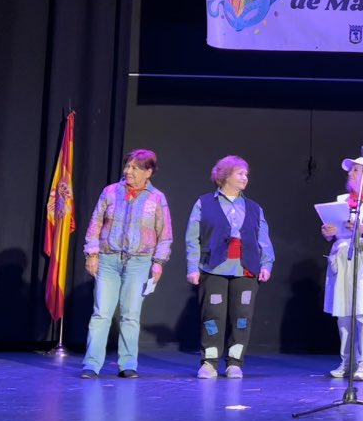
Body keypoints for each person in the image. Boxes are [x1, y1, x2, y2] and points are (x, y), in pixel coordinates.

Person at [80, 149, 173, 379]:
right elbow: (95, 224)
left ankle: (128, 364)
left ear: (148, 172)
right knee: (101, 313)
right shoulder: (111, 191)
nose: (128, 171)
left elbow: (165, 234)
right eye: (127, 166)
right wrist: (92, 254)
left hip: (139, 262)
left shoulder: (157, 198)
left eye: (135, 168)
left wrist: (158, 263)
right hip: (108, 259)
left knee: (130, 314)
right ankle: (91, 364)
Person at [185, 155, 275, 379]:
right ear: (225, 176)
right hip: (214, 267)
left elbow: (263, 238)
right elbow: (192, 238)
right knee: (212, 316)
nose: (245, 178)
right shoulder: (204, 203)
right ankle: (210, 362)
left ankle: (235, 362)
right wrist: (192, 267)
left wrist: (266, 263)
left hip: (246, 268)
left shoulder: (254, 208)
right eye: (240, 173)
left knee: (242, 317)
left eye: (246, 174)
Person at [320, 157, 363, 381]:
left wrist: (362, 228)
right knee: (343, 313)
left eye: (356, 170)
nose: (350, 173)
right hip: (342, 259)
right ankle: (347, 361)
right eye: (350, 170)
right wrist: (328, 233)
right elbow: (334, 233)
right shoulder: (341, 201)